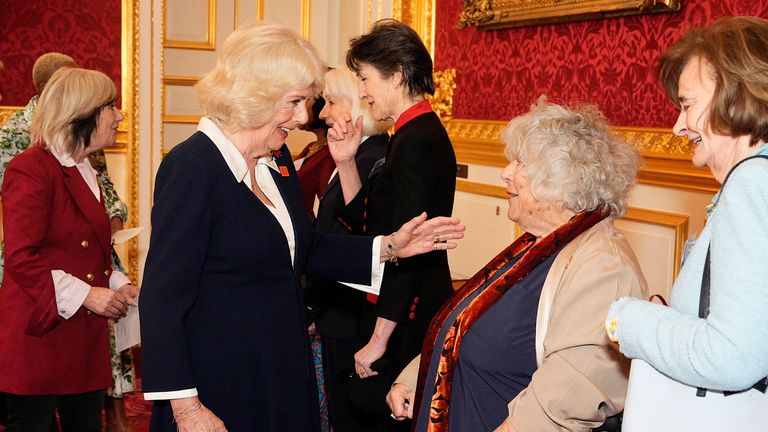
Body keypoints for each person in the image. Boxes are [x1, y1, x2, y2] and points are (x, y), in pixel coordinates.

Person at [138, 22, 464, 432]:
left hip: (283, 376)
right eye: (293, 102)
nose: (304, 117)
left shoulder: (279, 163)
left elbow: (305, 249)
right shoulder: (193, 166)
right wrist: (186, 409)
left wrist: (390, 247)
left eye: (305, 102)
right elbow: (162, 299)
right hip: (219, 387)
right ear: (255, 94)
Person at [386, 97, 648, 432]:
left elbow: (568, 394)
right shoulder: (535, 245)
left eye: (520, 163)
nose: (505, 174)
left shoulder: (604, 265)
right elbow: (466, 324)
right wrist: (414, 379)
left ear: (562, 180)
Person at [605, 16, 768, 423]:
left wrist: (627, 320)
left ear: (737, 92)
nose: (678, 125)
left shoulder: (752, 184)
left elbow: (733, 355)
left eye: (687, 104)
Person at [327, 19, 457, 430]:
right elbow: (371, 225)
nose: (362, 91)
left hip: (405, 316)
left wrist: (378, 340)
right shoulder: (407, 134)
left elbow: (408, 253)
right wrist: (347, 162)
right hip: (395, 307)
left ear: (397, 73)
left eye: (365, 78)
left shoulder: (417, 140)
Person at [0, 52, 135, 432]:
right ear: (84, 114)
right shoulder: (31, 168)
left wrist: (118, 284)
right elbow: (22, 258)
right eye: (111, 106)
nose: (119, 115)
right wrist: (89, 295)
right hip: (39, 338)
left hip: (81, 341)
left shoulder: (85, 167)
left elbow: (90, 250)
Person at [303, 66, 390, 431]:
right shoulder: (353, 155)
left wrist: (313, 304)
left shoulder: (373, 160)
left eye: (331, 102)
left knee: (348, 418)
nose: (322, 113)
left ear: (356, 107)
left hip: (348, 316)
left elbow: (358, 239)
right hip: (337, 312)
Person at [294, 95, 334, 217]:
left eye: (306, 103)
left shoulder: (330, 156)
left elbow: (325, 204)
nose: (298, 111)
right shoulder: (311, 146)